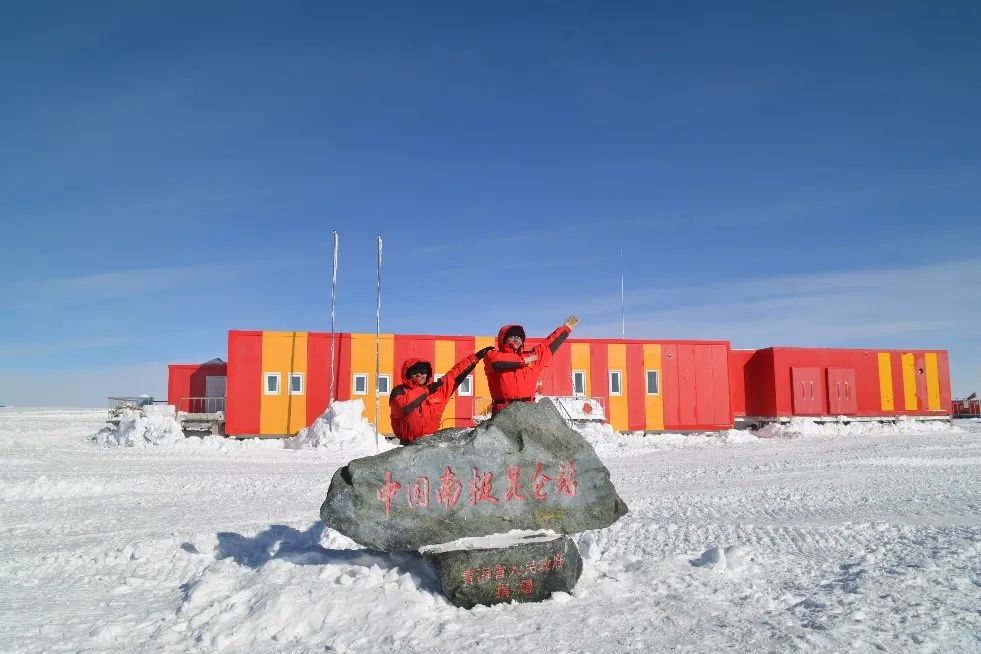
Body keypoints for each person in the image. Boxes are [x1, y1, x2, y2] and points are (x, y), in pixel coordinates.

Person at [389, 346, 494, 444]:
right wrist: (426, 390)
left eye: (423, 370)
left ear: (427, 373)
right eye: (415, 371)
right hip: (407, 446)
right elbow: (402, 407)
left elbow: (455, 374)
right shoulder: (399, 391)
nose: (419, 374)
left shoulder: (437, 390)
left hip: (431, 443)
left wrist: (476, 357)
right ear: (408, 374)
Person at [483, 316, 580, 414]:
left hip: (528, 412)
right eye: (511, 336)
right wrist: (523, 361)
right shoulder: (492, 356)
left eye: (519, 337)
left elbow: (547, 345)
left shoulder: (533, 358)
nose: (516, 338)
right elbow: (498, 362)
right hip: (503, 412)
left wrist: (566, 329)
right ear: (503, 339)